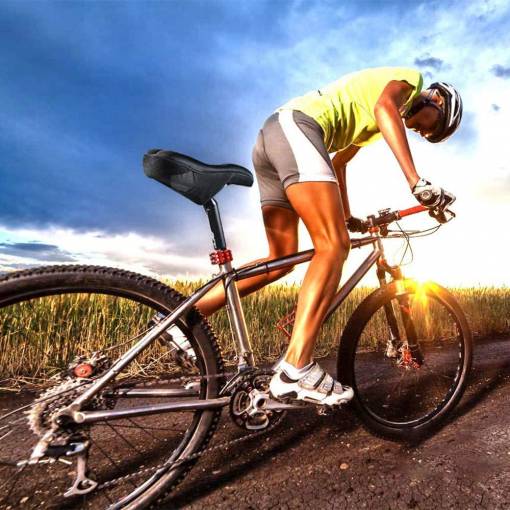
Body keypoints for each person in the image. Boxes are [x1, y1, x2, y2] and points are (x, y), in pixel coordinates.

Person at [194, 66, 463, 407]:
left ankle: (184, 319)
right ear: (437, 99)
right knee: (333, 247)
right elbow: (385, 108)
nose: (422, 131)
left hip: (272, 139)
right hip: (297, 129)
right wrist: (416, 182)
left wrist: (347, 216)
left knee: (280, 260)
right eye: (431, 126)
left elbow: (338, 164)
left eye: (427, 134)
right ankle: (296, 369)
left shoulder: (369, 126)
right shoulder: (409, 82)